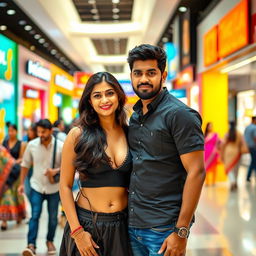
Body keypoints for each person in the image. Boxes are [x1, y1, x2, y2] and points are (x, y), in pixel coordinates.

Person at [127, 44, 205, 256]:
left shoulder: (179, 115)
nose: (144, 79)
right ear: (131, 76)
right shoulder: (134, 117)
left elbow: (196, 172)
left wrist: (181, 231)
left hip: (163, 229)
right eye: (138, 73)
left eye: (151, 73)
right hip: (133, 225)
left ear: (163, 75)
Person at [59, 72, 132, 256]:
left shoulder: (131, 133)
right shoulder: (77, 135)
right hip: (87, 225)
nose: (104, 100)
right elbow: (65, 186)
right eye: (97, 95)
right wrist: (77, 232)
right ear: (89, 101)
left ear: (118, 96)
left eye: (109, 93)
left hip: (123, 225)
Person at [18, 119, 63, 256]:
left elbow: (68, 167)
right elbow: (25, 165)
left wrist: (54, 171)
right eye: (38, 132)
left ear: (50, 131)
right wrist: (21, 184)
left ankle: (49, 241)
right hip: (36, 186)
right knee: (35, 215)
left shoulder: (60, 146)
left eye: (43, 132)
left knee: (53, 217)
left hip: (54, 188)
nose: (40, 134)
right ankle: (31, 245)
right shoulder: (31, 145)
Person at [0, 124, 26, 230]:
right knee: (6, 197)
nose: (10, 133)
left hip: (16, 172)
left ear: (16, 131)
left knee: (16, 196)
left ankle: (19, 215)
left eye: (12, 131)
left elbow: (22, 158)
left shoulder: (21, 144)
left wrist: (12, 162)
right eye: (9, 131)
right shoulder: (4, 143)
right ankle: (4, 221)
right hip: (6, 174)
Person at [221, 121, 247, 191]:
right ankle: (235, 182)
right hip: (237, 152)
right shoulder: (239, 133)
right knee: (236, 169)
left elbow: (223, 144)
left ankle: (232, 181)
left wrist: (221, 154)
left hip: (228, 151)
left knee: (229, 168)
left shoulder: (227, 134)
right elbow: (243, 143)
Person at [244, 116, 256, 182]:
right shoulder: (254, 127)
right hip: (254, 147)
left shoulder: (247, 127)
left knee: (253, 161)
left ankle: (249, 176)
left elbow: (244, 137)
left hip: (248, 147)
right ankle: (248, 176)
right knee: (253, 161)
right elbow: (255, 138)